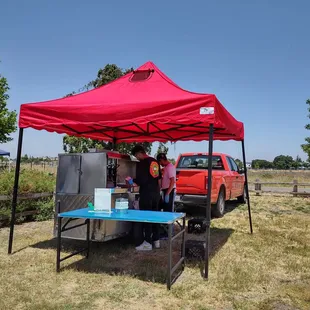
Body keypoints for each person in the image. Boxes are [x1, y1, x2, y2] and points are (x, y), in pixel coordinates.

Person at [127, 145, 162, 251]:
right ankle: (156, 241)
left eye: (136, 156)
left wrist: (131, 180)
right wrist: (158, 192)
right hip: (156, 194)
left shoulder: (143, 163)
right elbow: (159, 179)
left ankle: (147, 243)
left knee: (146, 217)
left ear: (139, 153)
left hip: (146, 194)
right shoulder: (154, 162)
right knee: (155, 218)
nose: (137, 158)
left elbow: (141, 180)